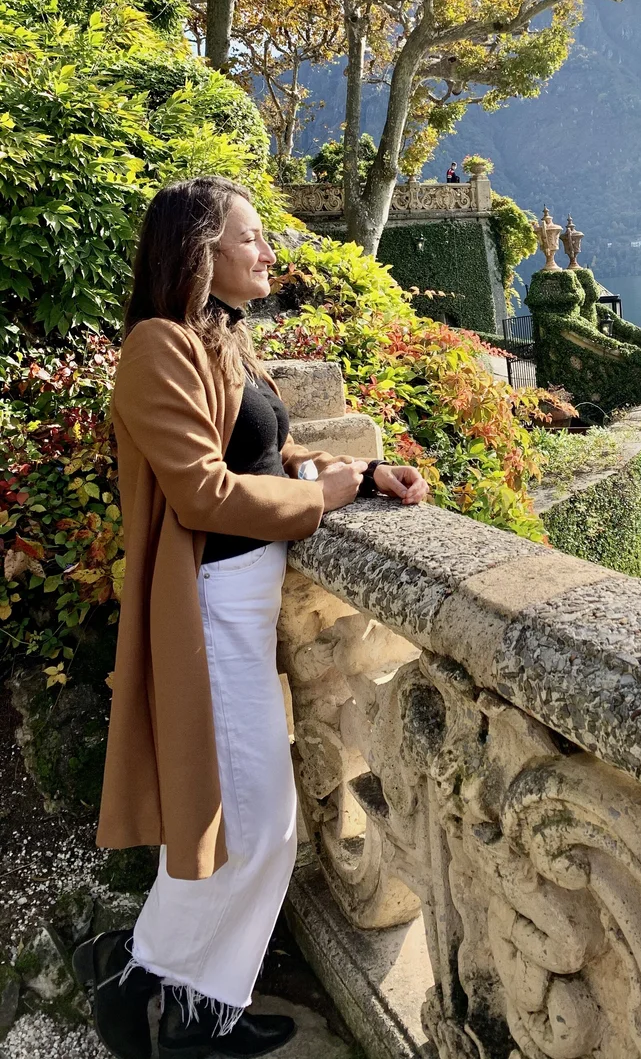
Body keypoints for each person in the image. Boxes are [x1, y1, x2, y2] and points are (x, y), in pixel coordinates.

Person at [72, 176, 428, 1059]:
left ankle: (194, 1008)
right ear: (201, 251)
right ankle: (137, 973)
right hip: (206, 609)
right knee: (252, 824)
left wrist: (361, 474)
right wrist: (318, 498)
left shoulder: (221, 342)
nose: (270, 253)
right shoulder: (155, 348)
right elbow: (202, 491)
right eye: (253, 237)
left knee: (237, 820)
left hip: (248, 599)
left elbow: (268, 451)